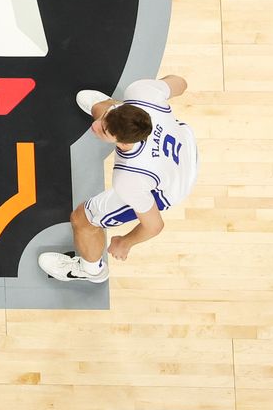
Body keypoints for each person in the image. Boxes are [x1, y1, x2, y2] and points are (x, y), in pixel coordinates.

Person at [39, 74, 200, 283]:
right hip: (184, 144)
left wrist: (125, 242)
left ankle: (91, 270)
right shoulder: (143, 93)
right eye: (106, 118)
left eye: (104, 131)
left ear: (123, 143)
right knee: (105, 108)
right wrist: (159, 89)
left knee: (83, 218)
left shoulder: (129, 180)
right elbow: (182, 82)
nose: (96, 126)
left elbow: (154, 225)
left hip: (171, 186)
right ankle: (111, 113)